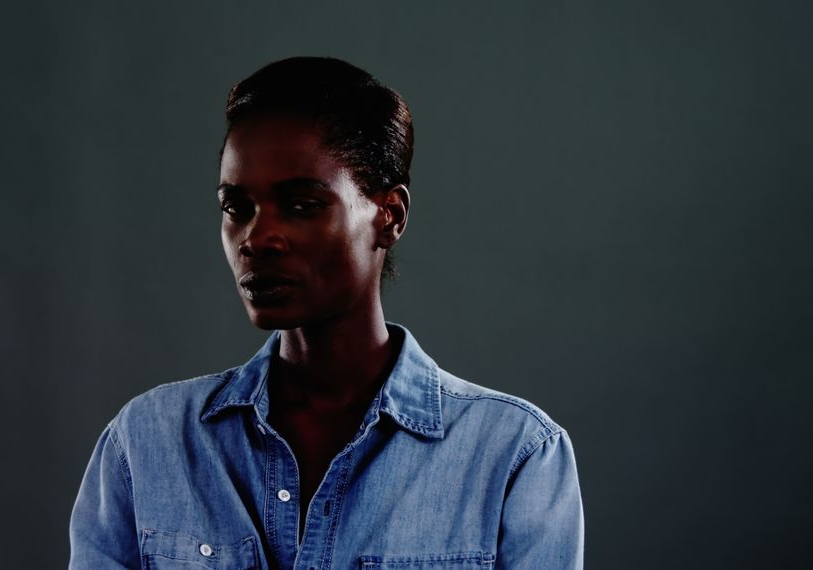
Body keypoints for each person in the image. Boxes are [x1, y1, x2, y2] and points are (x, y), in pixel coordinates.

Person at [69, 56, 584, 570]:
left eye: (301, 204)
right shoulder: (147, 443)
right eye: (236, 207)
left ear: (390, 215)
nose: (257, 238)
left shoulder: (514, 456)